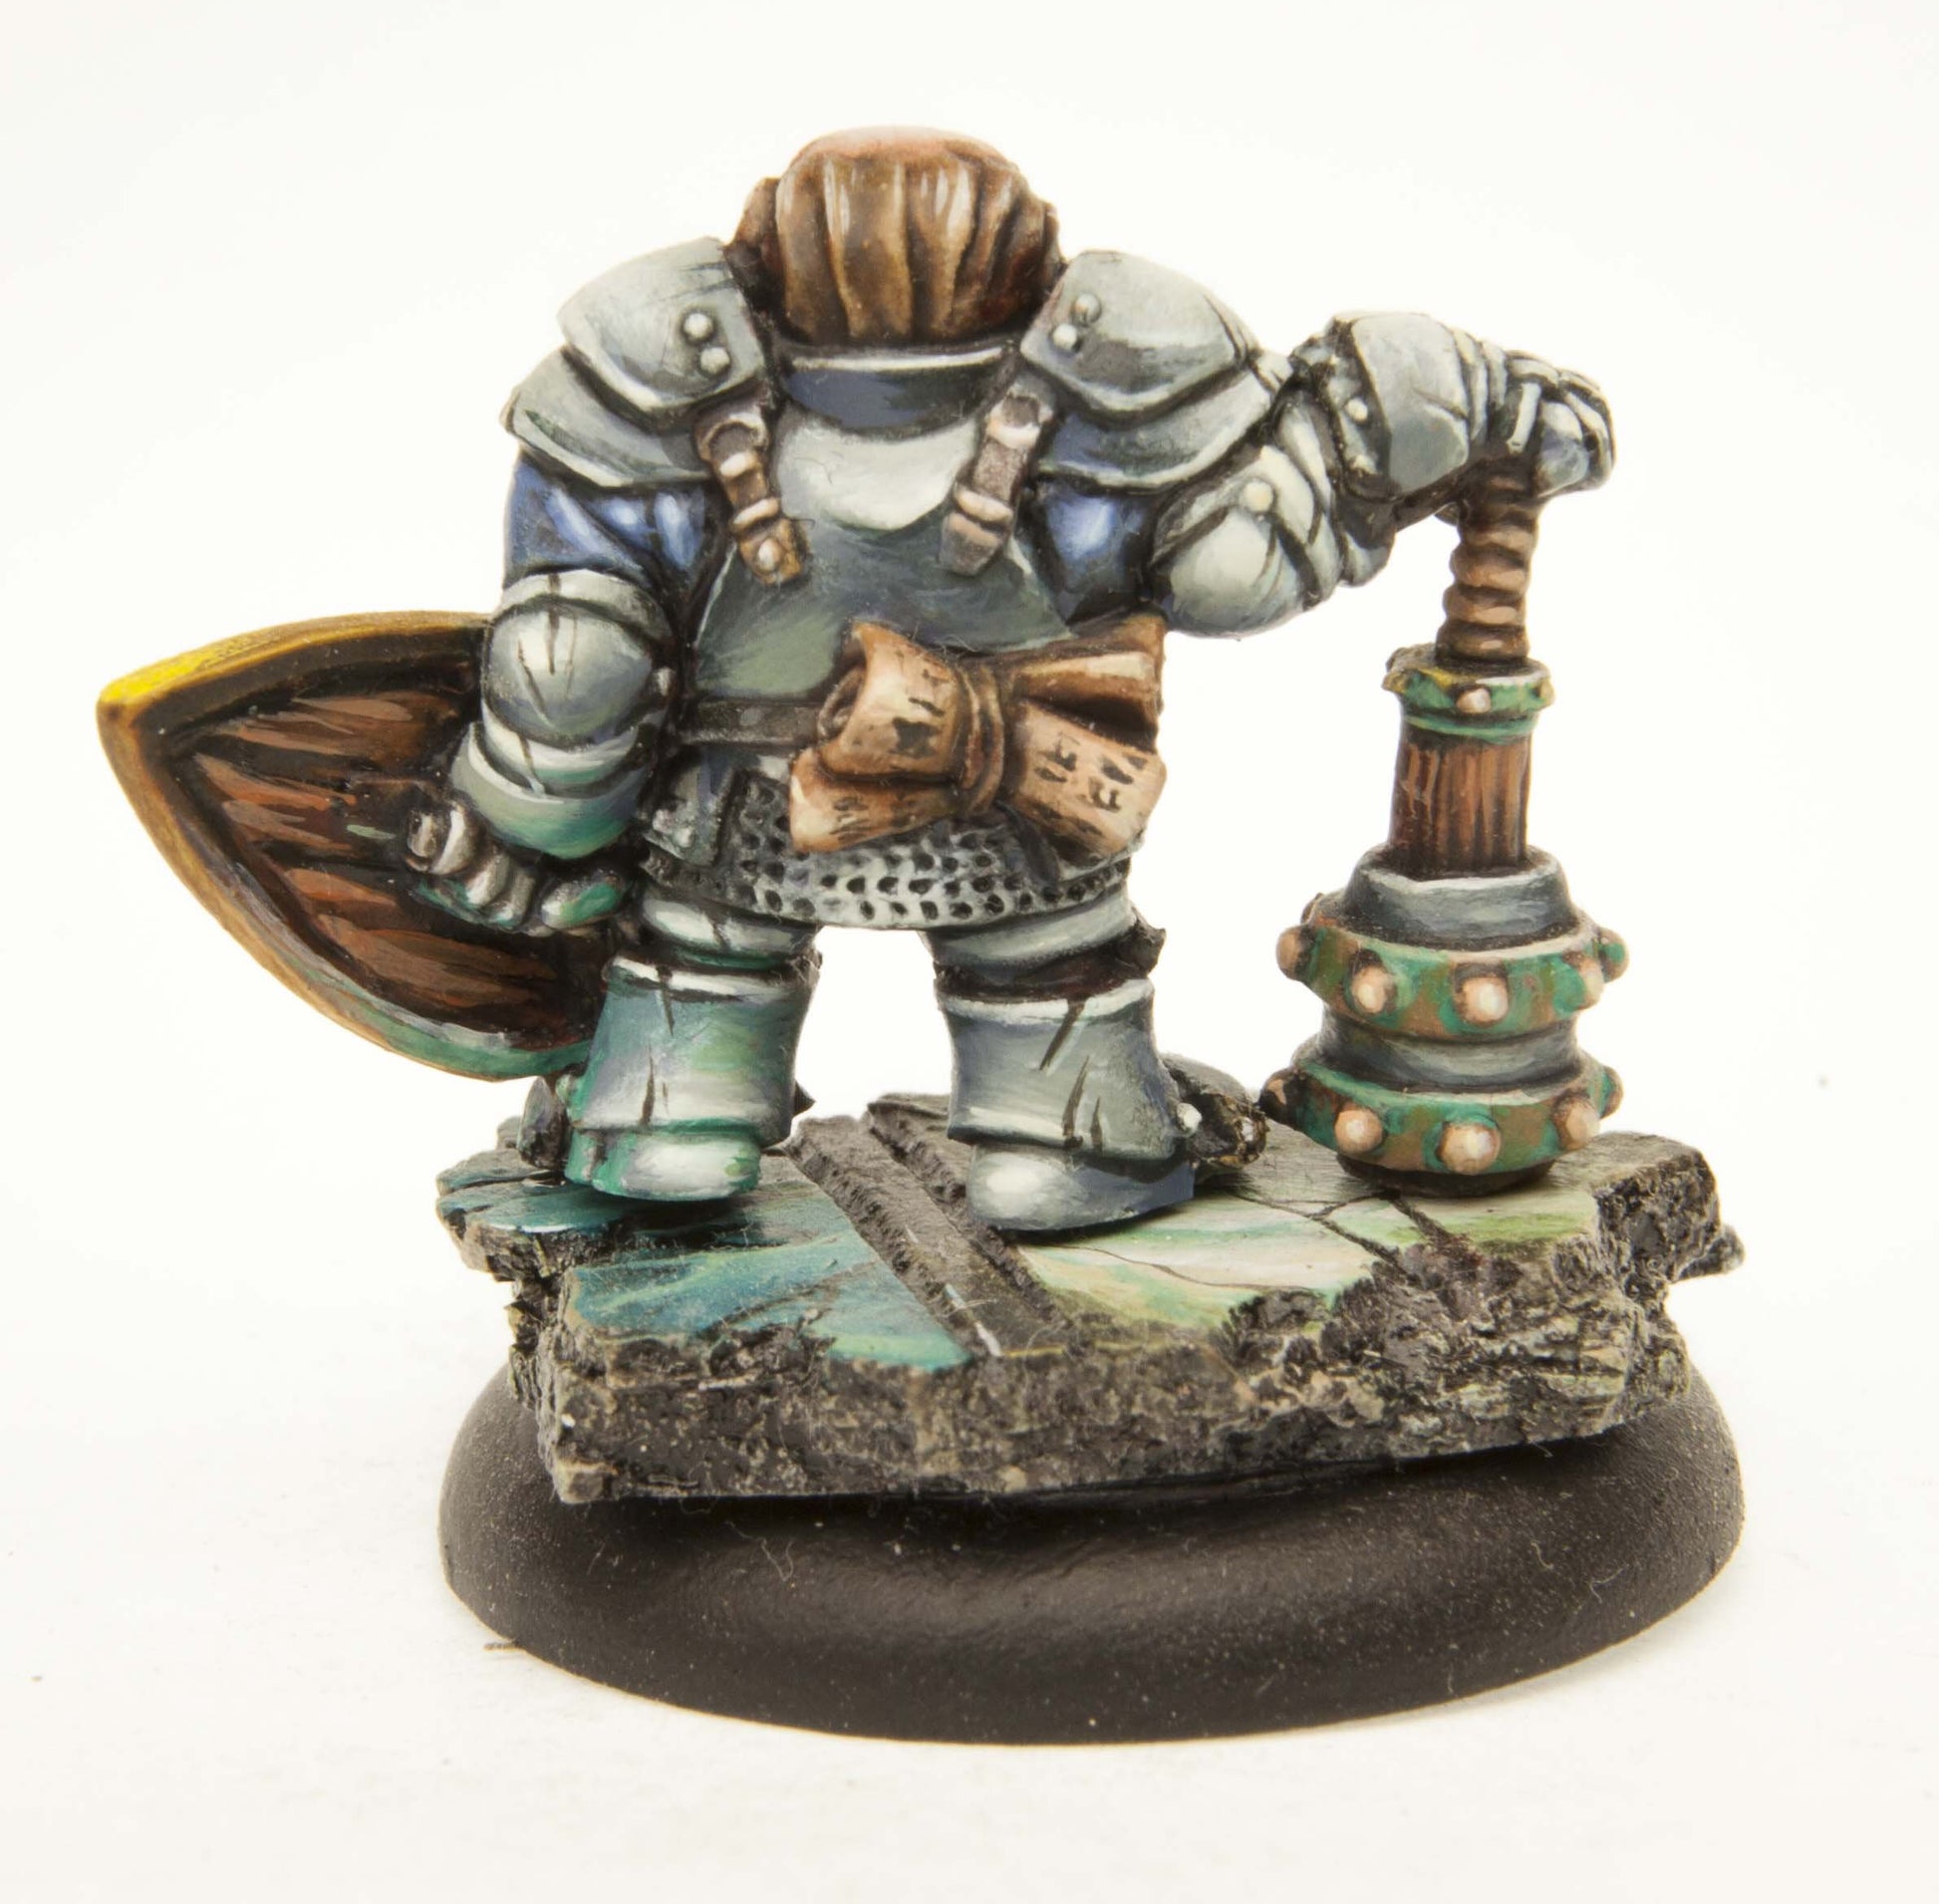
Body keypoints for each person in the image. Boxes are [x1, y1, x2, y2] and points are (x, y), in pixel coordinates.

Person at [406, 127, 1612, 1230]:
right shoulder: (1104, 391)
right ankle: (1069, 1149)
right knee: (1051, 971)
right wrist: (1413, 414)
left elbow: (569, 664)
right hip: (1022, 800)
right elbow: (1233, 566)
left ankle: (669, 1121)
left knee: (699, 960)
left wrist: (524, 822)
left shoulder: (654, 401)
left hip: (733, 812)